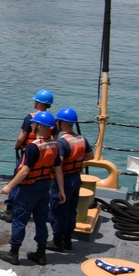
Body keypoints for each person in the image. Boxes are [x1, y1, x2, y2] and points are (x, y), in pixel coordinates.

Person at [0, 111, 65, 266]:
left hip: (29, 189)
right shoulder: (55, 145)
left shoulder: (33, 147)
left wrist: (9, 186)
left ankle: (13, 253)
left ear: (40, 126)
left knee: (19, 219)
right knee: (41, 220)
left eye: (34, 123)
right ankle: (41, 254)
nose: (32, 125)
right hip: (44, 187)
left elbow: (25, 170)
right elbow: (58, 169)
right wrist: (61, 190)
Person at [0, 89, 53, 222]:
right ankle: (41, 211)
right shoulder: (52, 119)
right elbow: (55, 139)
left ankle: (10, 211)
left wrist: (17, 146)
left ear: (39, 103)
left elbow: (22, 136)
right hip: (46, 154)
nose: (34, 102)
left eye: (36, 100)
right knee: (42, 178)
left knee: (19, 178)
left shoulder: (30, 118)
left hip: (30, 152)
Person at [48, 107, 95, 252]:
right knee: (70, 210)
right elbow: (90, 157)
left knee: (57, 211)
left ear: (62, 123)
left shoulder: (62, 143)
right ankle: (67, 239)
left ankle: (57, 241)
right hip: (76, 178)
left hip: (64, 180)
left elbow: (58, 166)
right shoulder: (82, 139)